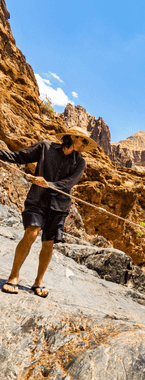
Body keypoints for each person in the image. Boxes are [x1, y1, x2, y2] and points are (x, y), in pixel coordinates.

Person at [0, 127, 97, 297]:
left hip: (59, 206)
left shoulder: (80, 163)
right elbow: (20, 157)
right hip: (38, 199)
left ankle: (38, 282)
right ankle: (13, 276)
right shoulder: (45, 147)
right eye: (83, 140)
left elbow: (68, 183)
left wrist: (49, 184)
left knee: (48, 243)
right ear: (73, 137)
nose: (84, 144)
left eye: (86, 142)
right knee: (31, 233)